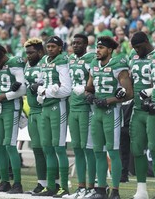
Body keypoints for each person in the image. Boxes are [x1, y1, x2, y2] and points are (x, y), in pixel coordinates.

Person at [85, 36, 133, 199]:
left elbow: (129, 93)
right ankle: (100, 189)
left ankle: (115, 191)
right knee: (98, 151)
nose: (97, 50)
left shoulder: (118, 65)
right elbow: (90, 87)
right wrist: (88, 95)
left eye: (101, 48)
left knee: (113, 151)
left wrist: (109, 100)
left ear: (110, 50)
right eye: (97, 47)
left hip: (111, 113)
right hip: (96, 112)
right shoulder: (93, 64)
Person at [33, 36, 72, 198]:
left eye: (53, 46)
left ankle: (64, 186)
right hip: (45, 107)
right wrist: (40, 91)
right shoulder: (43, 61)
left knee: (59, 147)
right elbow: (39, 83)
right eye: (48, 46)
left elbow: (66, 90)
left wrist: (46, 92)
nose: (50, 49)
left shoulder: (62, 61)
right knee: (47, 147)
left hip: (58, 107)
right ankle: (50, 185)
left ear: (60, 48)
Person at [0, 44, 26, 194]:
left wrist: (3, 96)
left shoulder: (15, 63)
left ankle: (17, 183)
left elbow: (22, 89)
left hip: (12, 107)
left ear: (3, 55)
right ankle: (4, 181)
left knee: (10, 144)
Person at [64, 33, 96, 198]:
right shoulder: (70, 59)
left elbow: (97, 80)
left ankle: (92, 186)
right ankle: (81, 187)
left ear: (85, 44)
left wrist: (85, 88)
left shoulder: (91, 58)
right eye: (73, 43)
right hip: (73, 107)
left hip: (86, 107)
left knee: (87, 148)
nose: (75, 45)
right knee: (76, 148)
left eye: (78, 43)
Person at [130, 31, 155, 199]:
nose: (137, 51)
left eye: (139, 47)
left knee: (154, 148)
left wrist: (151, 92)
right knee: (137, 149)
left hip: (152, 111)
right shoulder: (134, 57)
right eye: (135, 48)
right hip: (137, 110)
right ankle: (141, 190)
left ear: (147, 42)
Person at [23, 37, 47, 194]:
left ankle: (56, 183)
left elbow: (53, 81)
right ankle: (41, 182)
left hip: (45, 109)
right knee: (37, 149)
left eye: (31, 53)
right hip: (32, 110)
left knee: (48, 149)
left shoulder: (45, 63)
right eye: (27, 53)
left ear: (40, 52)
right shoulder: (26, 65)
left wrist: (40, 86)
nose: (28, 56)